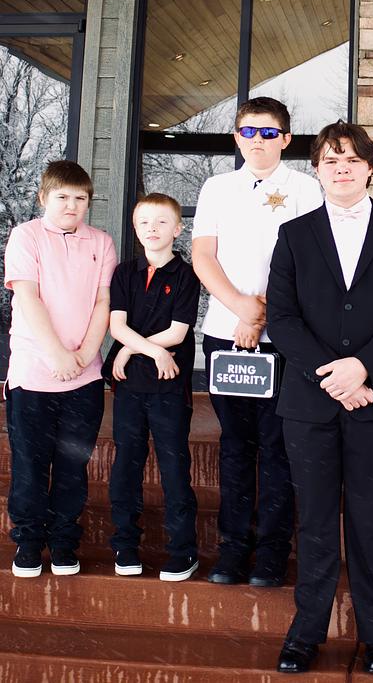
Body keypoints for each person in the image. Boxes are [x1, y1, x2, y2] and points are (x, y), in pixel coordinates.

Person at [267, 121, 373, 676]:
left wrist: (363, 368)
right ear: (317, 169)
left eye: (353, 160)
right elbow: (282, 317)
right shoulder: (293, 234)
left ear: (370, 167)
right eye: (331, 160)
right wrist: (332, 376)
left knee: (368, 519)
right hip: (309, 403)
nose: (342, 169)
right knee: (314, 521)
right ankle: (305, 633)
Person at [191, 96, 323, 586]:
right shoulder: (216, 187)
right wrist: (241, 308)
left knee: (276, 445)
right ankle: (232, 549)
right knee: (235, 445)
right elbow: (204, 256)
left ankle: (271, 552)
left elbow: (309, 261)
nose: (258, 141)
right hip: (224, 336)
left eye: (269, 133)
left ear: (285, 139)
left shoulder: (306, 188)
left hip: (282, 338)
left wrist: (262, 312)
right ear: (236, 137)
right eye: (249, 131)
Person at [3, 160, 116, 578]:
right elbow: (27, 297)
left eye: (80, 198)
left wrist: (84, 355)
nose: (71, 205)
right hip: (34, 374)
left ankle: (65, 542)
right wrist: (56, 354)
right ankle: (29, 542)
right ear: (43, 198)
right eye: (62, 197)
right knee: (30, 467)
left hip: (83, 378)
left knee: (72, 467)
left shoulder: (101, 242)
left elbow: (103, 302)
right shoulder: (26, 236)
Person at [103, 193, 200, 581]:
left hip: (168, 388)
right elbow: (117, 325)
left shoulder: (186, 275)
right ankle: (125, 546)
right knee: (126, 465)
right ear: (135, 228)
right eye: (144, 222)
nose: (152, 229)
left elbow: (177, 333)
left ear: (177, 229)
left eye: (161, 222)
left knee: (174, 468)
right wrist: (148, 351)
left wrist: (131, 350)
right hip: (130, 387)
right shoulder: (125, 272)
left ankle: (183, 551)